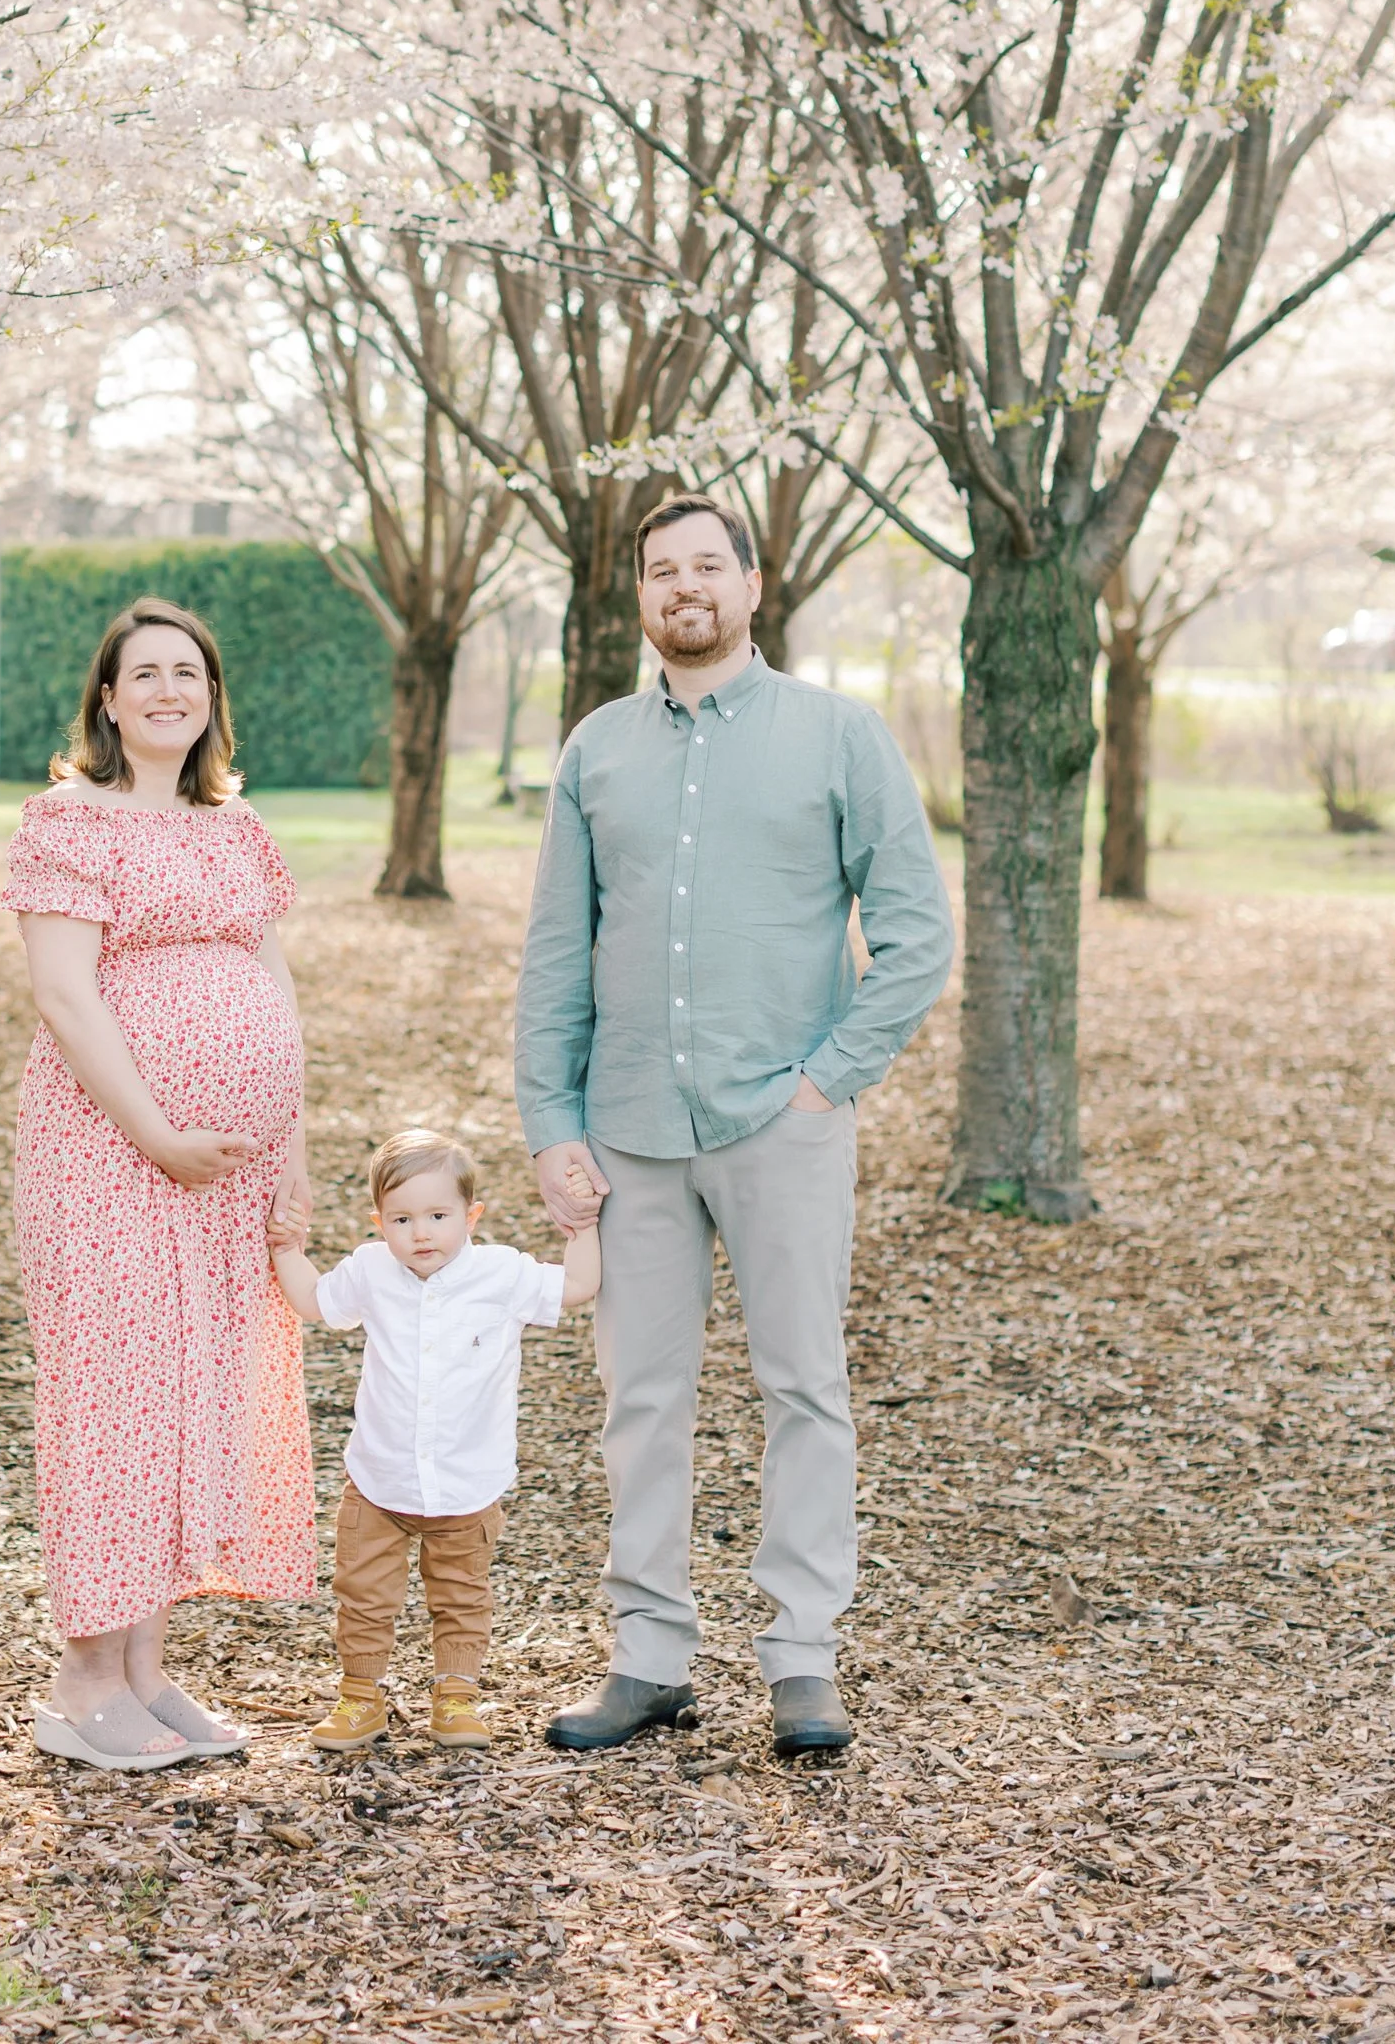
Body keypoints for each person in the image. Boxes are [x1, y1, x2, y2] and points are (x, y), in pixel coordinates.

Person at [516, 495, 954, 1758]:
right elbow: (555, 952)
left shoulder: (837, 736)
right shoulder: (595, 750)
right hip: (629, 1132)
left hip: (782, 1122)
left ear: (752, 585)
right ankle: (649, 1658)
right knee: (639, 1401)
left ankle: (801, 1660)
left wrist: (831, 1077)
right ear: (639, 597)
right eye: (662, 571)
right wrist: (550, 1118)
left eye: (707, 565)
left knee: (802, 1387)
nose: (683, 588)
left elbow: (916, 934)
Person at [1, 597, 316, 1773]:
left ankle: (146, 1667)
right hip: (108, 1157)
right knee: (113, 1399)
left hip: (225, 1174)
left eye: (188, 672)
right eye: (146, 674)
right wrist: (160, 1133)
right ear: (107, 699)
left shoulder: (234, 827)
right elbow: (66, 999)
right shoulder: (64, 822)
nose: (168, 691)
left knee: (193, 1401)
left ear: (210, 698)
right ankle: (82, 1679)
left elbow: (273, 991)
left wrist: (290, 1147)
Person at [271, 1127, 601, 1756]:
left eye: (438, 1216)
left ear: (470, 1216)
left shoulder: (502, 1275)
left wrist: (582, 1229)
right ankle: (360, 1698)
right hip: (379, 1481)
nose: (421, 1233)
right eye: (402, 1218)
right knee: (363, 1594)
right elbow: (314, 1302)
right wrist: (288, 1246)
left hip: (467, 1483)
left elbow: (578, 1287)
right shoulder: (371, 1269)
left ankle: (455, 1698)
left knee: (461, 1593)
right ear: (380, 1222)